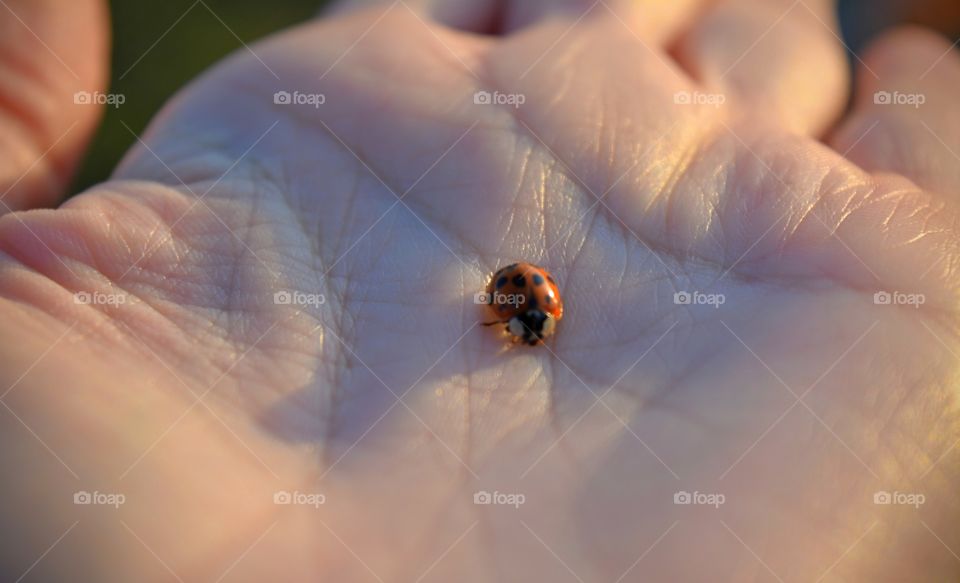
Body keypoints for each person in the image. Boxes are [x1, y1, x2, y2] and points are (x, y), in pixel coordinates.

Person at [0, 0, 958, 580]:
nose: (523, 317)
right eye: (523, 315)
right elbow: (505, 301)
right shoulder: (515, 301)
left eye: (525, 317)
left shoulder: (521, 304)